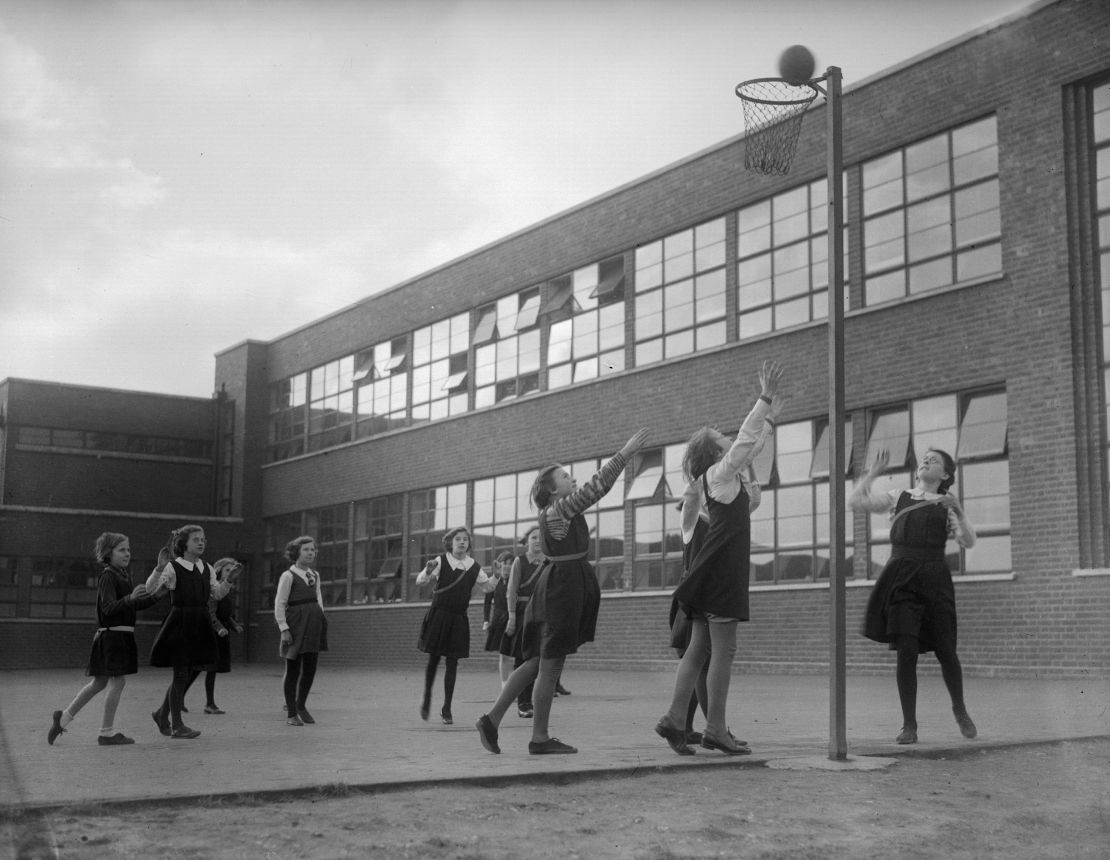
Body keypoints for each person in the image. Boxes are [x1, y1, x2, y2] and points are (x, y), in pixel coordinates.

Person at [476, 427, 649, 755]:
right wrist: (625, 453)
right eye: (566, 477)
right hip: (561, 590)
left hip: (557, 586)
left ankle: (492, 719)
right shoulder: (561, 509)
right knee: (549, 665)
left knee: (536, 661)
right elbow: (598, 486)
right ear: (554, 491)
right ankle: (538, 738)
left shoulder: (554, 512)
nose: (572, 480)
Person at [656, 360, 782, 756]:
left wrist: (771, 421)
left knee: (698, 650)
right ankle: (715, 729)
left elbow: (753, 446)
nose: (729, 439)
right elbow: (746, 441)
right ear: (714, 453)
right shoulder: (719, 476)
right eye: (721, 438)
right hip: (723, 572)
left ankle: (676, 719)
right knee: (723, 651)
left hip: (707, 574)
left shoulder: (730, 479)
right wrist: (762, 401)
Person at [849, 446, 978, 745]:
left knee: (946, 651)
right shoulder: (898, 496)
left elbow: (968, 541)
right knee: (906, 649)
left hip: (935, 578)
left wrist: (959, 509)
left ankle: (960, 710)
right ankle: (909, 725)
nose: (926, 462)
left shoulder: (947, 505)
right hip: (901, 577)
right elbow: (856, 501)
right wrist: (873, 473)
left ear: (945, 474)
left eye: (934, 461)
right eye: (924, 459)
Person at [47, 533, 168, 746]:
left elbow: (133, 605)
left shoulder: (122, 575)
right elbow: (109, 608)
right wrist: (130, 598)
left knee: (99, 682)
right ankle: (106, 732)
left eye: (128, 549)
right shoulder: (108, 576)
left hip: (117, 636)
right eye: (122, 550)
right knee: (117, 681)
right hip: (113, 637)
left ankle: (63, 718)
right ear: (107, 553)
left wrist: (157, 595)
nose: (127, 553)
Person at [146, 525, 231, 740]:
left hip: (200, 623)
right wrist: (158, 568)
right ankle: (177, 726)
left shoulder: (207, 568)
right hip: (181, 623)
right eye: (196, 539)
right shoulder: (173, 567)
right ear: (184, 544)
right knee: (181, 673)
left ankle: (161, 714)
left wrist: (228, 581)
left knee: (188, 674)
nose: (201, 543)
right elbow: (150, 589)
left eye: (203, 539)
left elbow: (217, 594)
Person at [416, 526, 497, 725]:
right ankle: (426, 697)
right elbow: (420, 582)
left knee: (452, 663)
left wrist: (497, 575)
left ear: (469, 543)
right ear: (450, 543)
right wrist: (427, 571)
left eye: (465, 539)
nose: (462, 542)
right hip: (439, 616)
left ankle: (447, 708)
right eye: (458, 539)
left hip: (458, 618)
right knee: (434, 660)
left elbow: (487, 587)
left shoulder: (474, 566)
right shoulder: (441, 561)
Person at [275, 536, 328, 726]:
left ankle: (301, 705)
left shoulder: (315, 575)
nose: (310, 553)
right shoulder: (288, 576)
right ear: (296, 553)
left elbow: (318, 598)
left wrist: (320, 619)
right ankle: (291, 713)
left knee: (311, 667)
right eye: (306, 550)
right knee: (293, 668)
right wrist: (284, 628)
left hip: (313, 624)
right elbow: (280, 604)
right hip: (296, 624)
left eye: (313, 550)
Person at [182, 558, 244, 715]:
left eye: (232, 571)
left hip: (220, 634)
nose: (230, 573)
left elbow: (226, 614)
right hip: (209, 633)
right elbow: (210, 613)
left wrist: (234, 625)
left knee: (203, 669)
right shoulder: (214, 590)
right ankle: (208, 704)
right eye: (227, 570)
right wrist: (219, 628)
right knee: (205, 668)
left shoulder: (228, 590)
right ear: (219, 572)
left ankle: (180, 698)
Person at [501, 525, 545, 719]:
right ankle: (523, 703)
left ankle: (531, 700)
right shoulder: (520, 561)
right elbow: (511, 590)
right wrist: (511, 615)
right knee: (522, 657)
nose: (537, 541)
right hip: (523, 614)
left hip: (542, 613)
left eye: (540, 537)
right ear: (527, 541)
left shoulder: (548, 562)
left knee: (538, 659)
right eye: (534, 537)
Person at [483, 551, 515, 689]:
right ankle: (505, 686)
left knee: (518, 654)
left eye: (510, 563)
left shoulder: (516, 581)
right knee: (504, 655)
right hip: (499, 619)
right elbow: (487, 602)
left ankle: (519, 685)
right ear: (499, 564)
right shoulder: (494, 581)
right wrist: (486, 621)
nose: (507, 566)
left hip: (514, 619)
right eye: (504, 563)